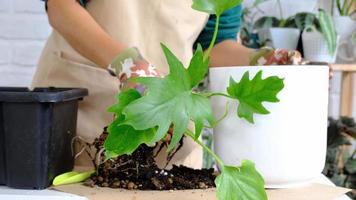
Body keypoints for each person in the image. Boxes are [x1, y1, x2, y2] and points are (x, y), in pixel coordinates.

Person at [32, 0, 301, 168]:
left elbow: (214, 46)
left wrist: (258, 59)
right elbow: (60, 6)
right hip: (83, 110)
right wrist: (127, 64)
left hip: (168, 120)